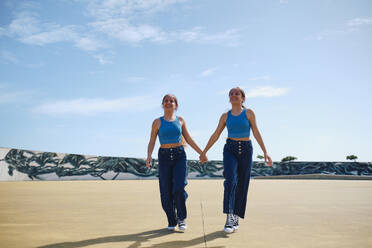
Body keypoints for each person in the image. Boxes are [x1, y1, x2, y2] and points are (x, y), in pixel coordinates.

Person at [199, 87, 272, 234]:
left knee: (243, 183)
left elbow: (256, 132)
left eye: (237, 93)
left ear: (243, 98)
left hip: (246, 149)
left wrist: (265, 152)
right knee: (230, 180)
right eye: (231, 94)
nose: (233, 95)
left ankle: (236, 215)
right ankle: (229, 216)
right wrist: (204, 151)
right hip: (230, 149)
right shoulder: (225, 116)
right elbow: (216, 134)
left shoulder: (249, 113)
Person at [146, 94, 204, 231]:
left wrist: (201, 152)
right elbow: (152, 141)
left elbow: (188, 139)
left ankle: (181, 218)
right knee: (165, 191)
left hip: (179, 155)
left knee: (179, 187)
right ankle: (171, 220)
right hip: (164, 156)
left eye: (171, 101)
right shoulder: (157, 122)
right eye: (165, 101)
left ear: (175, 105)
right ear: (162, 104)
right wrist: (149, 155)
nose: (168, 103)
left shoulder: (181, 120)